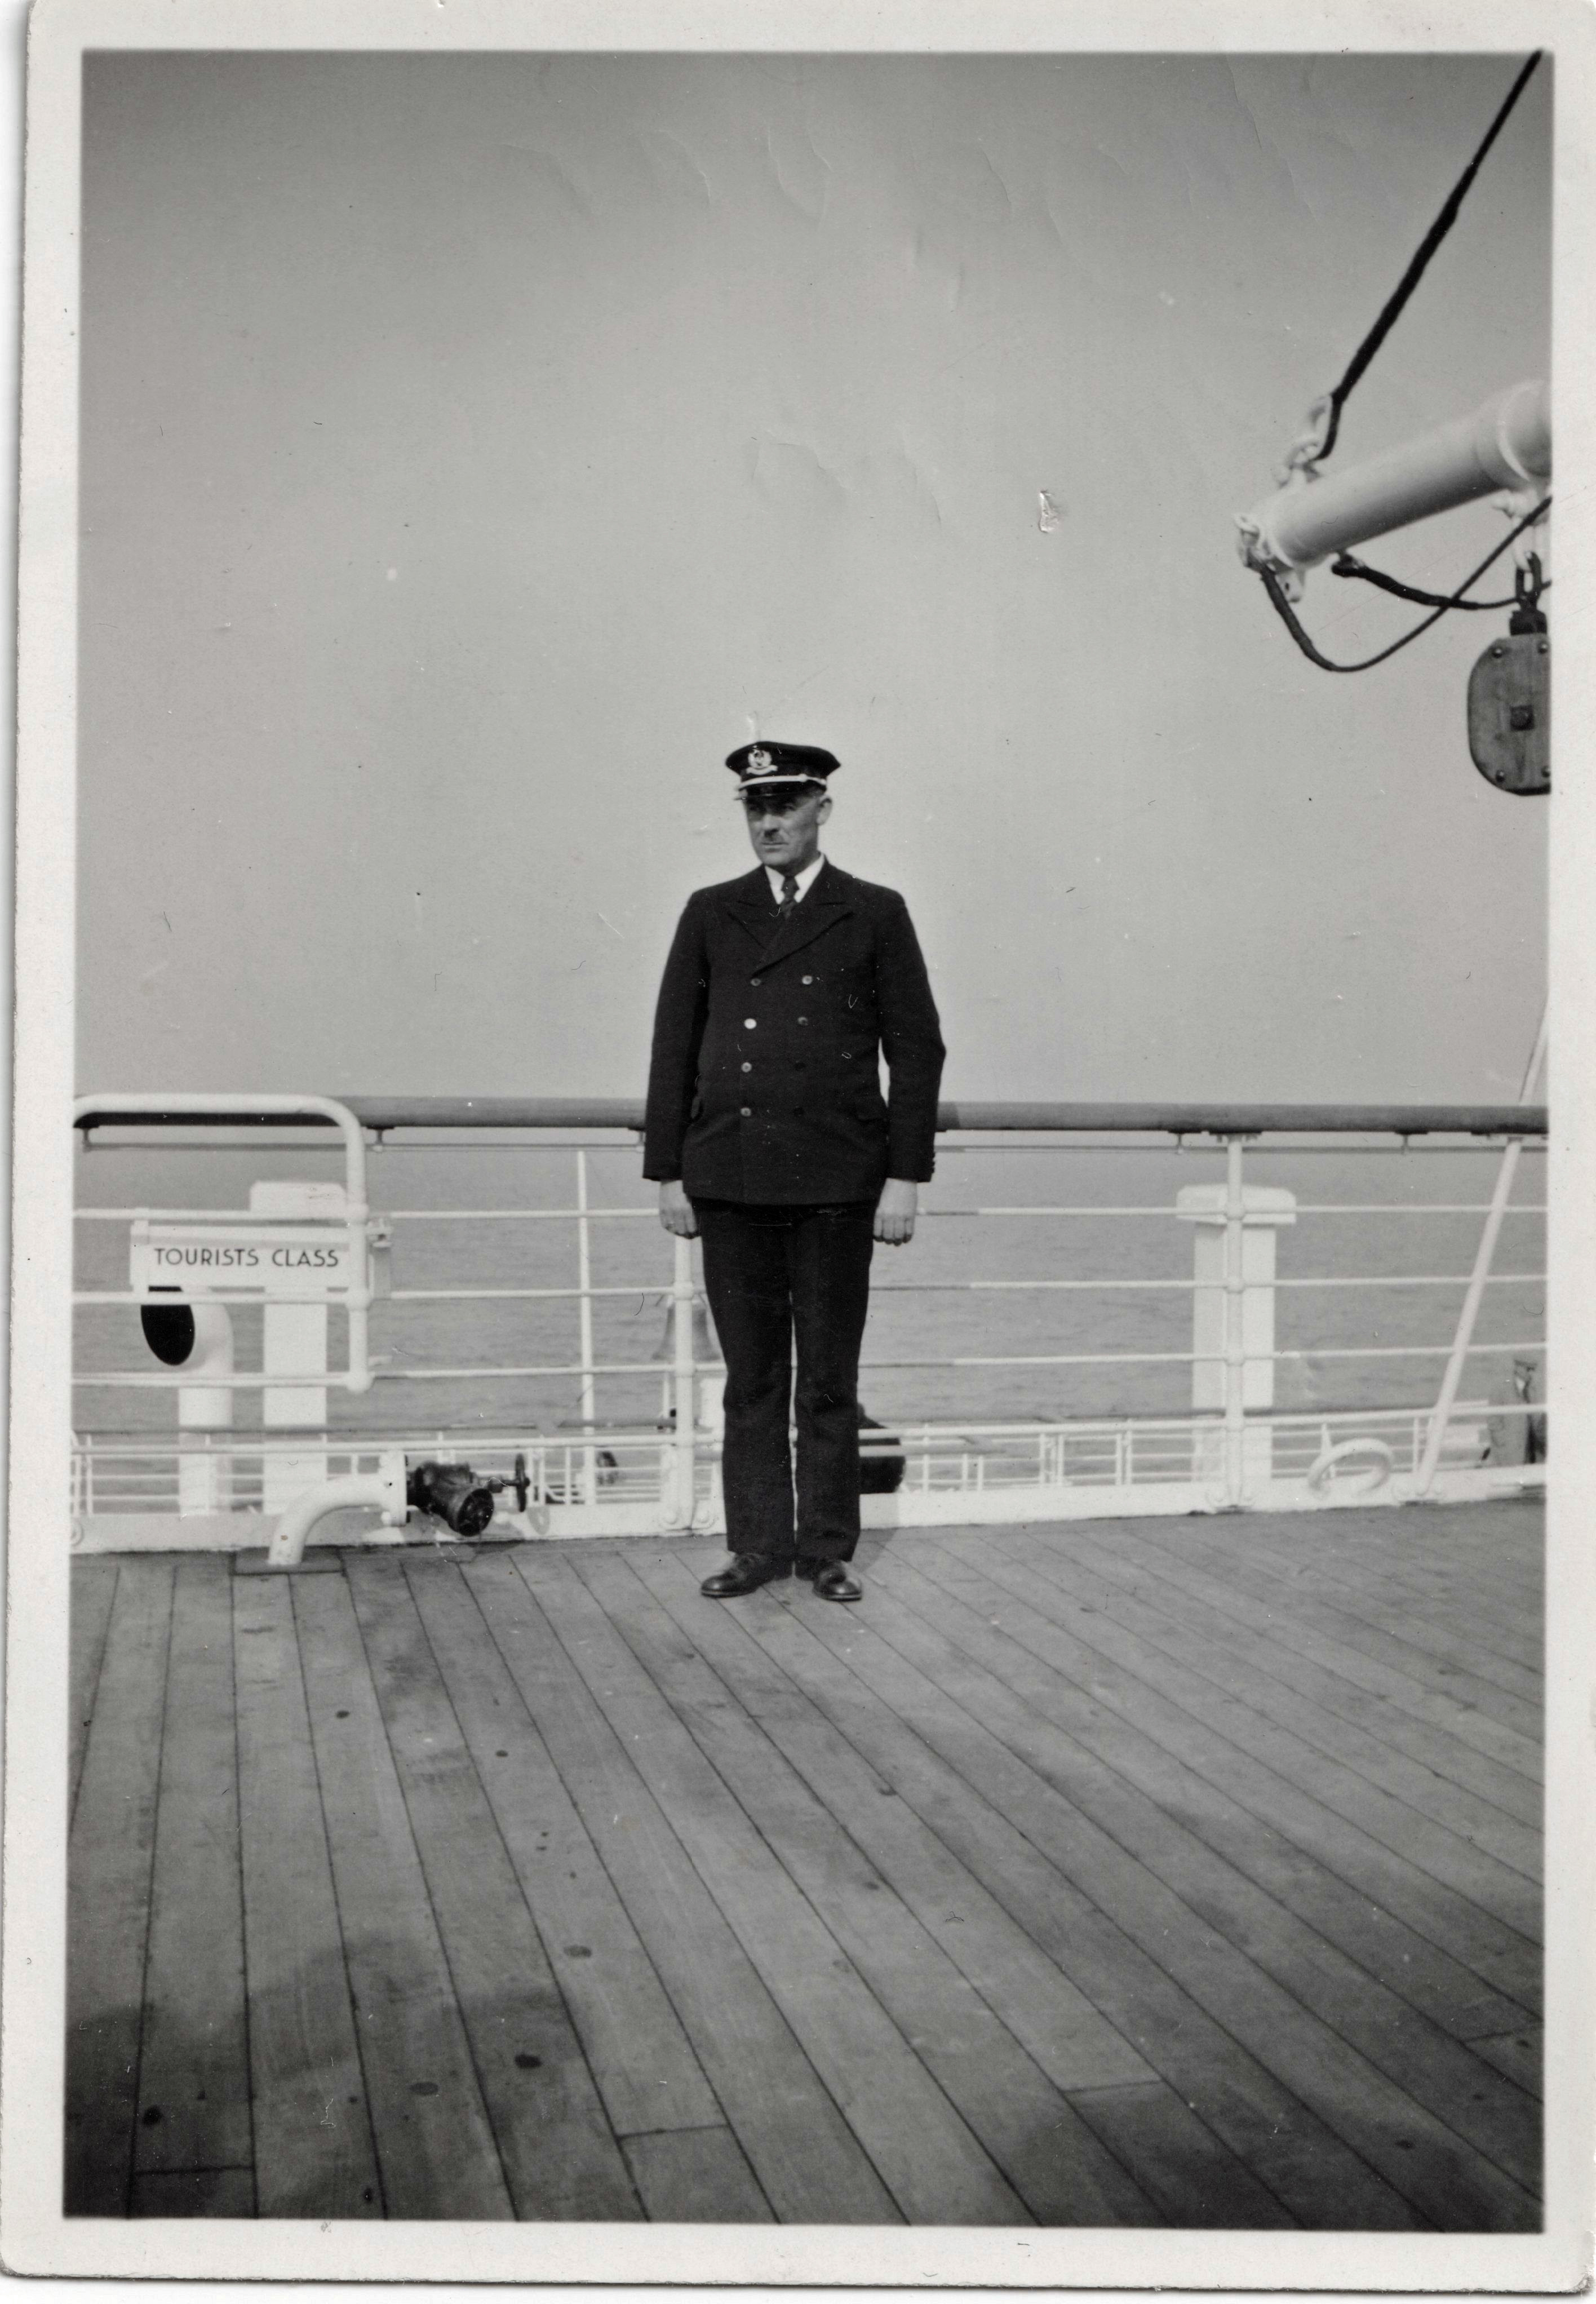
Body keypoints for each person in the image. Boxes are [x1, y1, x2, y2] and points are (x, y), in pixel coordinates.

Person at [643, 740, 945, 1601]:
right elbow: (674, 1047)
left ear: (823, 811)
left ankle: (825, 1550)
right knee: (751, 1381)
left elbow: (916, 1050)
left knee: (826, 1379)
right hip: (731, 1178)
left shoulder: (873, 911)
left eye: (785, 805)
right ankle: (757, 1547)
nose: (769, 822)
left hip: (839, 1183)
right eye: (755, 807)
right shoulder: (711, 911)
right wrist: (668, 1171)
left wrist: (905, 1176)